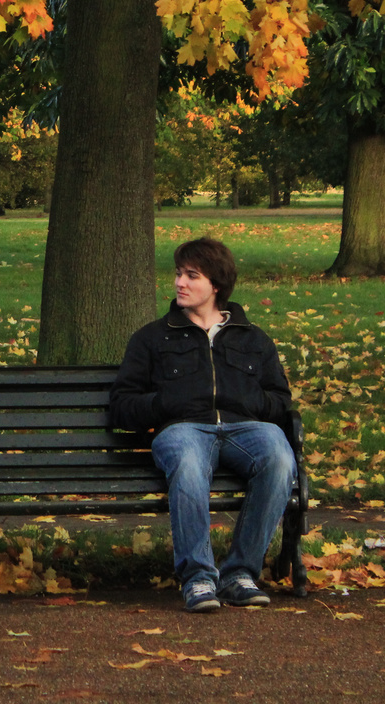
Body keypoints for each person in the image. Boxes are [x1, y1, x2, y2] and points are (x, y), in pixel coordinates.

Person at [110, 237, 296, 613]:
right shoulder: (152, 338)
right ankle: (198, 579)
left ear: (216, 285)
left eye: (191, 275)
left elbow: (280, 402)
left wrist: (251, 401)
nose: (179, 282)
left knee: (279, 456)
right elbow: (121, 407)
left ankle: (240, 574)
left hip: (245, 429)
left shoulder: (253, 339)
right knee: (190, 465)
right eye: (179, 273)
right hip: (183, 430)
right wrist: (165, 403)